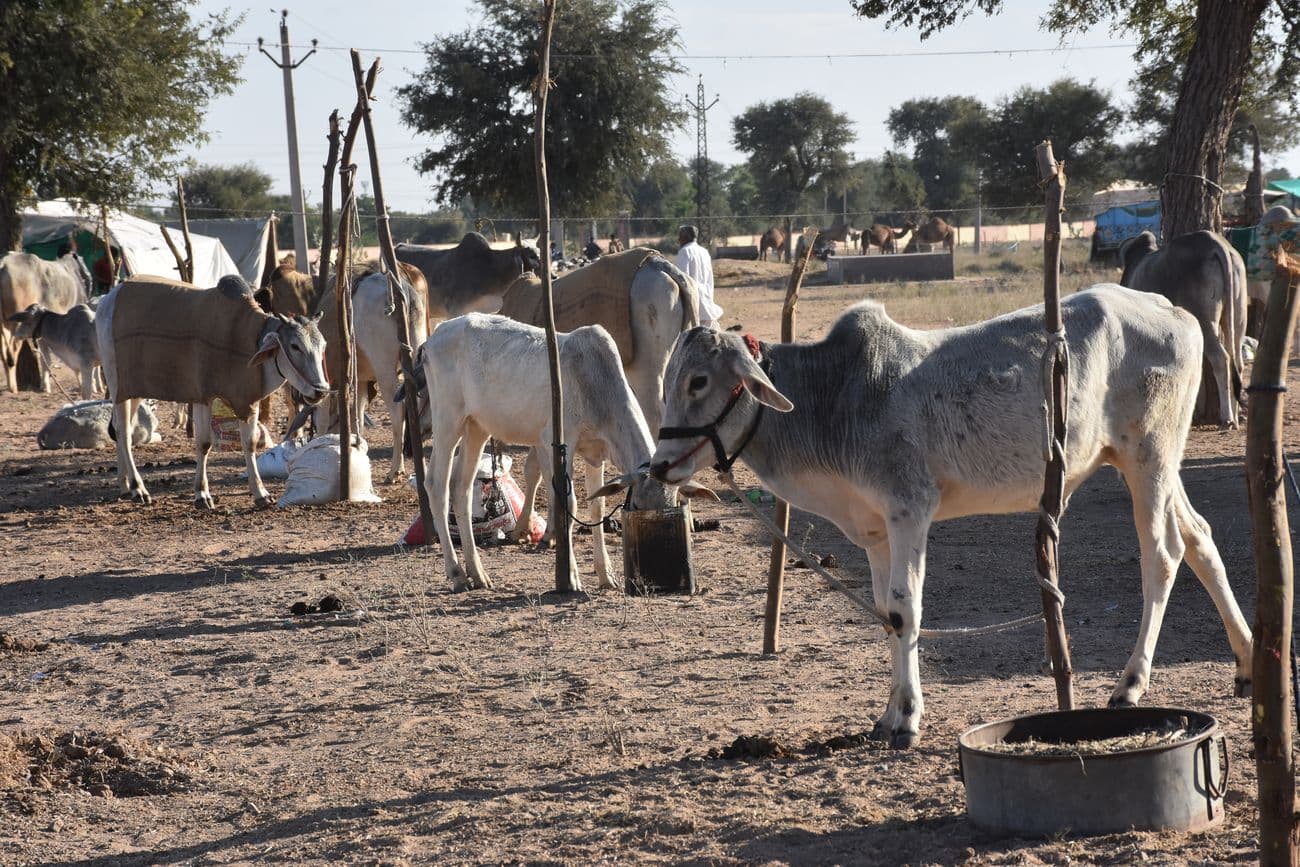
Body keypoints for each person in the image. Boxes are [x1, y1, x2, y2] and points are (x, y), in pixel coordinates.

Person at [674, 224, 721, 328]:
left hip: (694, 304)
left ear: (686, 237)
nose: (678, 239)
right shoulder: (704, 252)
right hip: (707, 300)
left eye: (680, 236)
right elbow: (710, 279)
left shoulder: (685, 251)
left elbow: (682, 279)